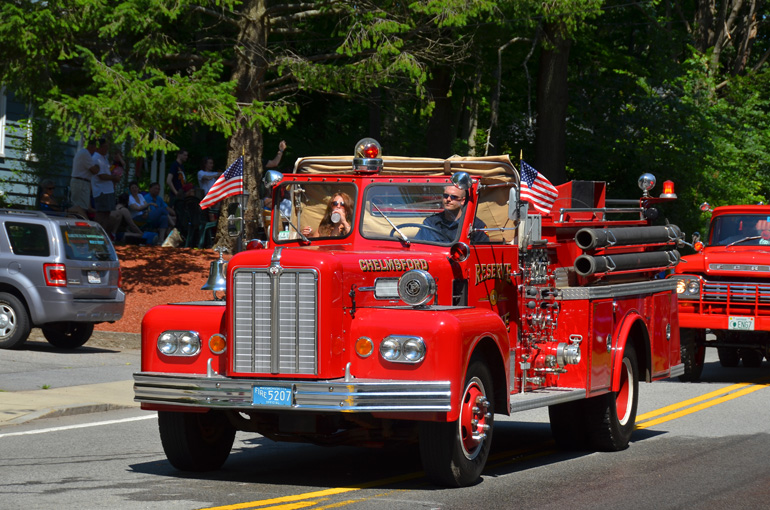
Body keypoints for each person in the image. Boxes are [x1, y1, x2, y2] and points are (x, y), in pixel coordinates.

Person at [414, 184, 489, 243]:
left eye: (454, 197)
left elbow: (483, 253)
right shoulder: (430, 223)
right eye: (446, 196)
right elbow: (418, 248)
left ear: (463, 201)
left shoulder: (476, 226)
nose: (448, 199)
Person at [91, 138, 120, 233]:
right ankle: (96, 232)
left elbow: (107, 172)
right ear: (100, 147)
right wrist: (113, 178)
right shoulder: (96, 158)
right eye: (105, 147)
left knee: (107, 212)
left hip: (108, 189)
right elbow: (101, 175)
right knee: (101, 213)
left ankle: (103, 233)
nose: (107, 149)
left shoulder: (104, 158)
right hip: (101, 190)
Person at [68, 139, 99, 218]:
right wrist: (98, 166)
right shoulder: (85, 154)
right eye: (95, 148)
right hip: (81, 182)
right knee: (79, 207)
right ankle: (68, 214)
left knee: (82, 206)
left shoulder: (83, 153)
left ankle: (76, 221)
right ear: (92, 147)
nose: (95, 151)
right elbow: (94, 170)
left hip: (81, 182)